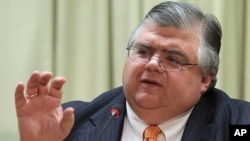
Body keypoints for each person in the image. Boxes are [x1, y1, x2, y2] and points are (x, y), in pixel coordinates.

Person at [14, 1, 250, 141]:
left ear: (205, 79)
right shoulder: (69, 125)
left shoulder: (240, 124)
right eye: (144, 52)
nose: (152, 64)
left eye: (173, 58)